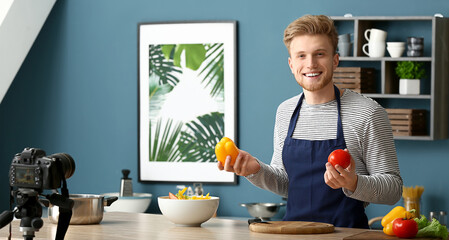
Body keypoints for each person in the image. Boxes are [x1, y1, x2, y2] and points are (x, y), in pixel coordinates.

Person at [217, 15, 402, 228]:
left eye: (319, 54)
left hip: (346, 235)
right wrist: (255, 170)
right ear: (291, 63)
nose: (311, 64)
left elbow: (393, 189)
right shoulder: (285, 111)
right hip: (294, 233)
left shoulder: (368, 113)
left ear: (335, 59)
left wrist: (354, 183)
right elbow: (287, 184)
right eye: (301, 56)